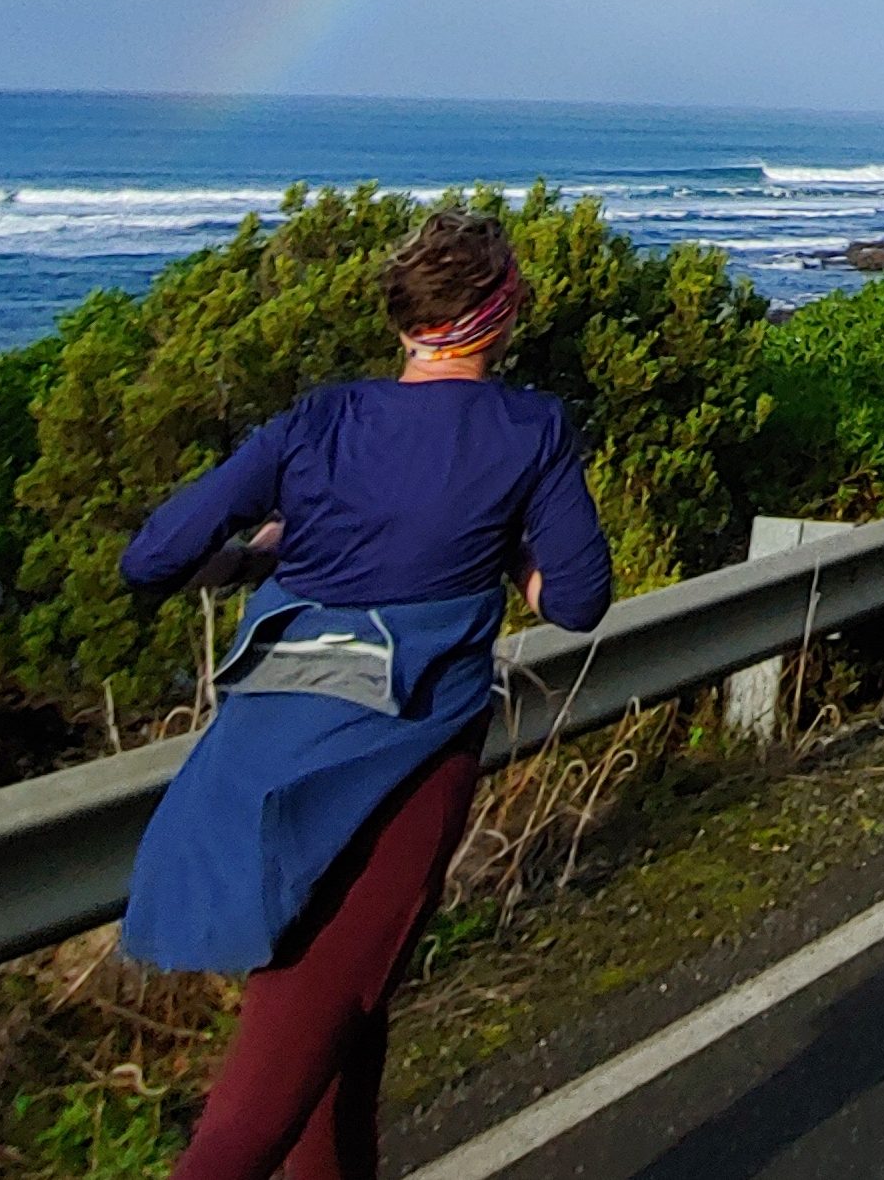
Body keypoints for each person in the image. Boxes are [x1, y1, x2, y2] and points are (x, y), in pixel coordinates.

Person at [117, 209, 611, 1180]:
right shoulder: (530, 428)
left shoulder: (322, 417)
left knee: (345, 1041)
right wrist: (506, 548)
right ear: (501, 318)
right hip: (404, 759)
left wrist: (271, 548)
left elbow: (153, 556)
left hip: (259, 755)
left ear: (405, 325)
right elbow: (579, 602)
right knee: (254, 1114)